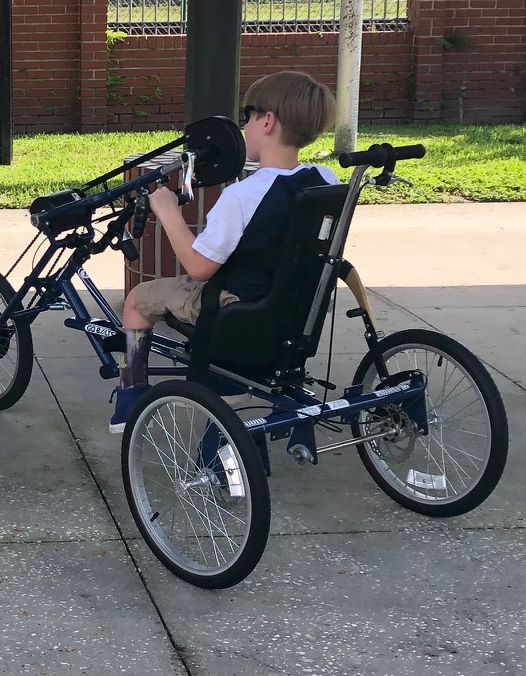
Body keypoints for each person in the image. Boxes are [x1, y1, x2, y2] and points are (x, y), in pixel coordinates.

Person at [109, 69, 370, 432]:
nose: (243, 125)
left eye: (247, 116)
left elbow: (199, 268)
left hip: (237, 305)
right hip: (290, 307)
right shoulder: (325, 179)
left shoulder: (241, 196)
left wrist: (168, 212)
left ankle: (130, 396)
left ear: (268, 121)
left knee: (137, 300)